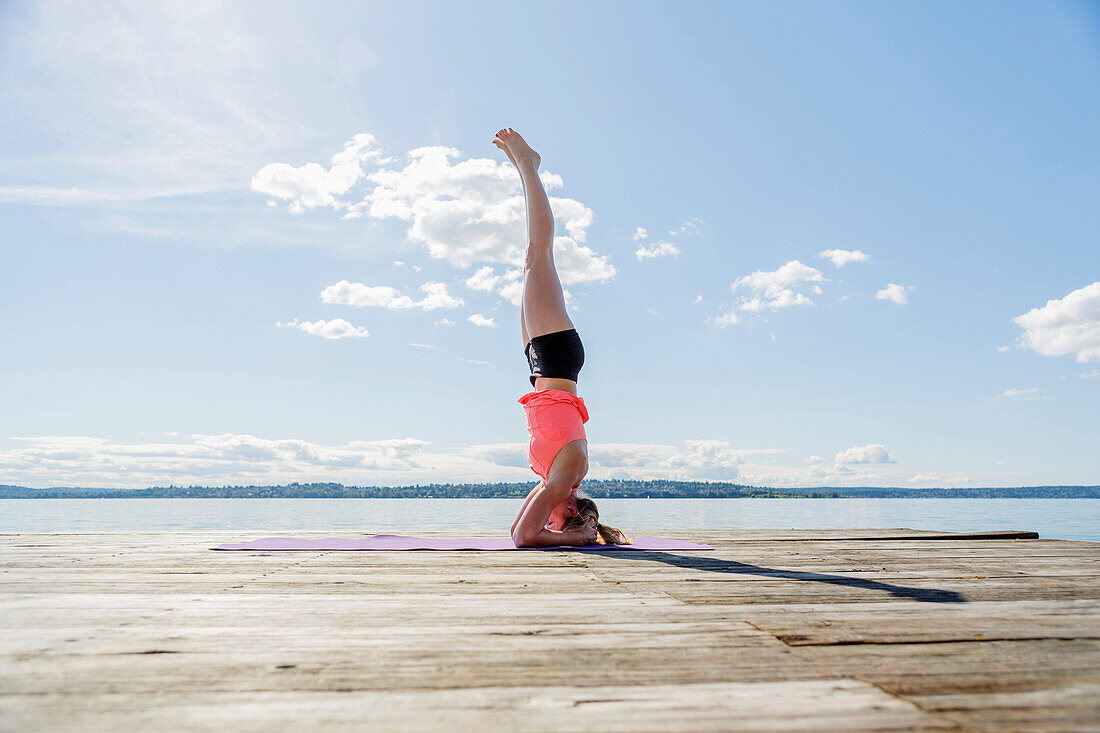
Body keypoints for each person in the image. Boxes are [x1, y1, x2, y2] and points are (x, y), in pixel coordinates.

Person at [494, 128, 630, 548]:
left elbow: (519, 531)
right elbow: (524, 538)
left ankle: (525, 169)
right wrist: (578, 540)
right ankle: (530, 166)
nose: (548, 524)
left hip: (543, 366)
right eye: (557, 523)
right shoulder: (566, 480)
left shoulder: (556, 484)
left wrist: (575, 534)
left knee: (530, 261)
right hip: (556, 359)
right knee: (539, 254)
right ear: (571, 510)